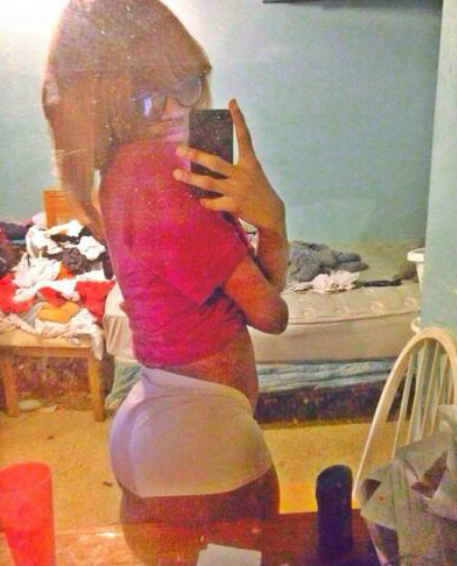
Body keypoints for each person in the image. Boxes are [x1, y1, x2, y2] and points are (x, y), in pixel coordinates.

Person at [43, 0, 289, 526]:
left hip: (161, 416)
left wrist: (262, 221)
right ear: (109, 103)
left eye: (188, 82)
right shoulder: (164, 177)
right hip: (200, 435)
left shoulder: (119, 173)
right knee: (246, 557)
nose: (177, 110)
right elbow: (272, 314)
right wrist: (274, 220)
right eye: (148, 95)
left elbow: (257, 293)